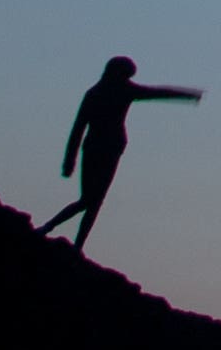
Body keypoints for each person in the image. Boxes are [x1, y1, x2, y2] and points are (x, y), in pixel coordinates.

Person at [38, 55, 203, 248]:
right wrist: (189, 95)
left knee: (90, 200)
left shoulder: (98, 92)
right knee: (91, 201)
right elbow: (158, 93)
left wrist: (70, 160)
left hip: (101, 147)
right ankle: (64, 236)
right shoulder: (117, 91)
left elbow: (78, 129)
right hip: (105, 148)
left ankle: (68, 239)